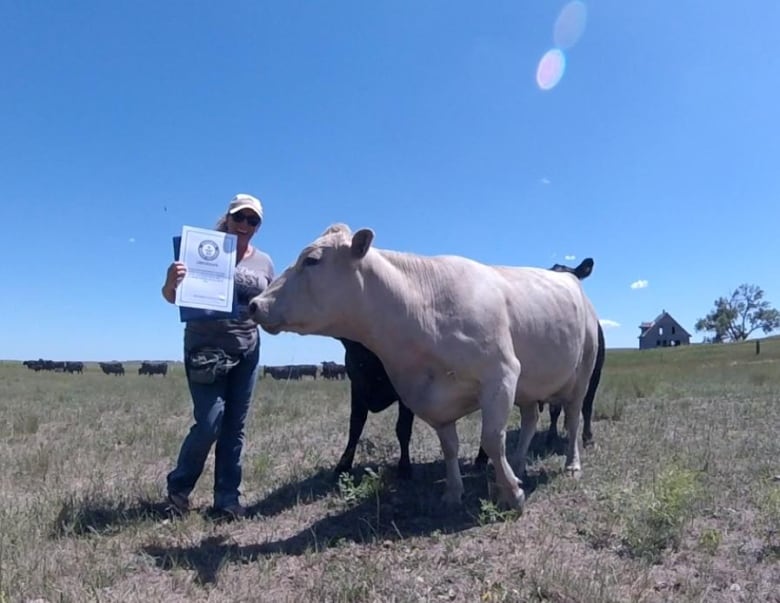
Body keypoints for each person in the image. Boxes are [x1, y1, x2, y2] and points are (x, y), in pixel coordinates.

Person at [161, 193, 274, 519]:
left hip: (246, 349)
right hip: (205, 350)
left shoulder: (264, 262)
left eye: (253, 220)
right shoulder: (201, 250)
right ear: (228, 218)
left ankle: (226, 499)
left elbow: (269, 303)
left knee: (234, 428)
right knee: (210, 423)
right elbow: (171, 297)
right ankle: (178, 488)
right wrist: (172, 282)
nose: (245, 225)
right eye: (240, 217)